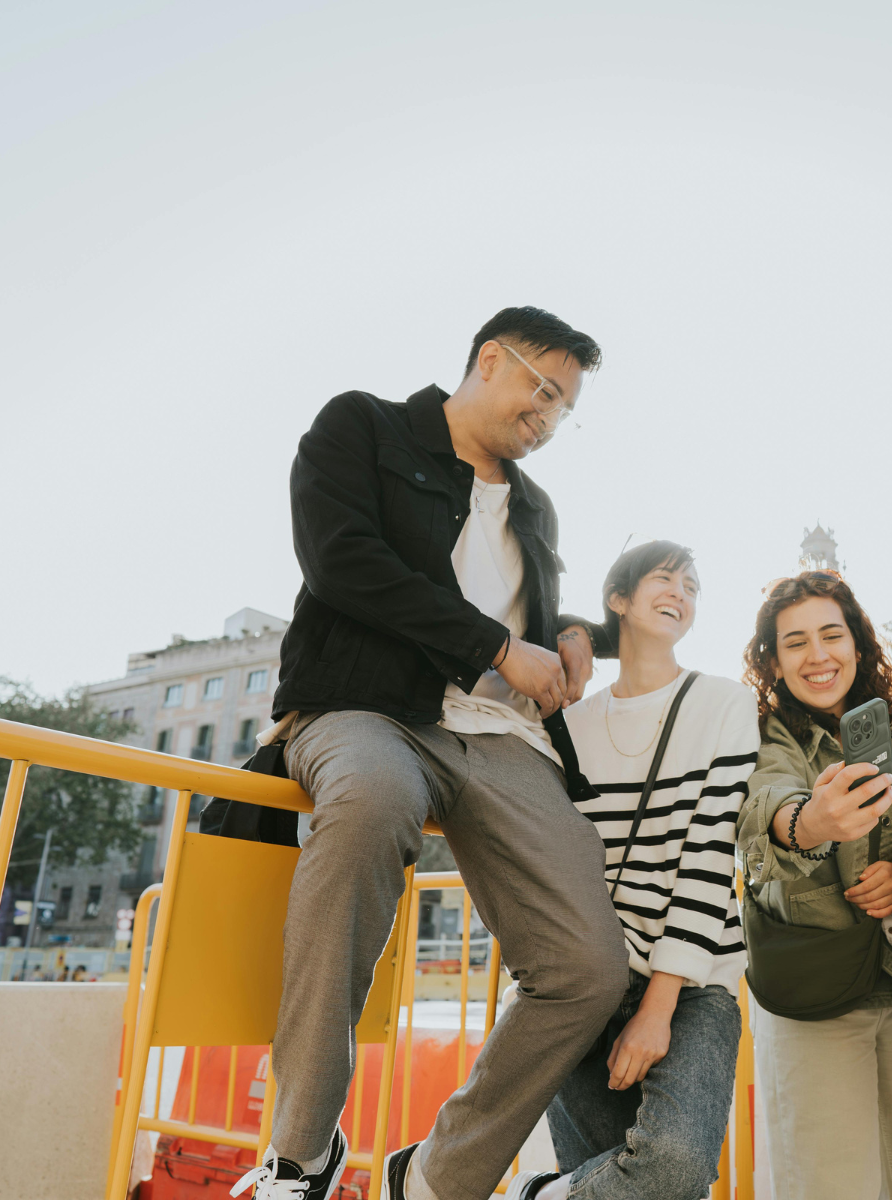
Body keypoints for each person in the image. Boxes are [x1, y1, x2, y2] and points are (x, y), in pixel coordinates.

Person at [240, 308, 630, 1200]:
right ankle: (300, 1152)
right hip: (361, 708)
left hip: (497, 738)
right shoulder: (362, 426)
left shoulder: (535, 505)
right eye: (544, 390)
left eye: (567, 408)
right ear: (489, 359)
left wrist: (568, 633)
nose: (551, 417)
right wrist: (497, 649)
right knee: (372, 801)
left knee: (588, 968)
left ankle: (436, 1177)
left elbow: (536, 620)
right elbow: (344, 562)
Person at [506, 541, 759, 1200]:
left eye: (693, 585)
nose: (682, 591)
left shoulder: (725, 705)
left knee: (673, 1167)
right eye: (664, 577)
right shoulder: (567, 723)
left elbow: (708, 855)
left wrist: (657, 1008)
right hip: (583, 980)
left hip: (695, 980)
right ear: (617, 599)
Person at [736, 571, 892, 1200]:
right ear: (774, 662)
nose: (818, 656)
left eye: (832, 635)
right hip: (813, 991)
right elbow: (766, 808)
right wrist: (809, 822)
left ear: (859, 645)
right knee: (829, 1181)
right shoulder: (760, 734)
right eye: (796, 642)